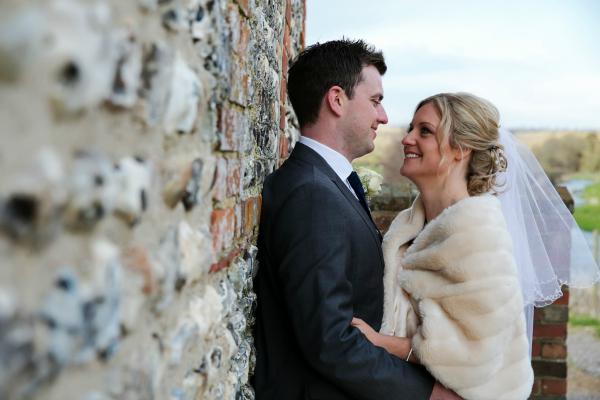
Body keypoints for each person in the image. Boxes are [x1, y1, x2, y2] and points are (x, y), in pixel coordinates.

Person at [351, 92, 600, 400]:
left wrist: (379, 342)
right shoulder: (408, 225)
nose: (407, 139)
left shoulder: (478, 235)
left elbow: (475, 354)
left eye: (424, 131)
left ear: (462, 149)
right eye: (410, 128)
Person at [252, 40, 460, 399]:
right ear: (337, 100)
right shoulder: (312, 193)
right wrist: (429, 395)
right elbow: (331, 340)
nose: (382, 116)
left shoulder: (326, 182)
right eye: (375, 101)